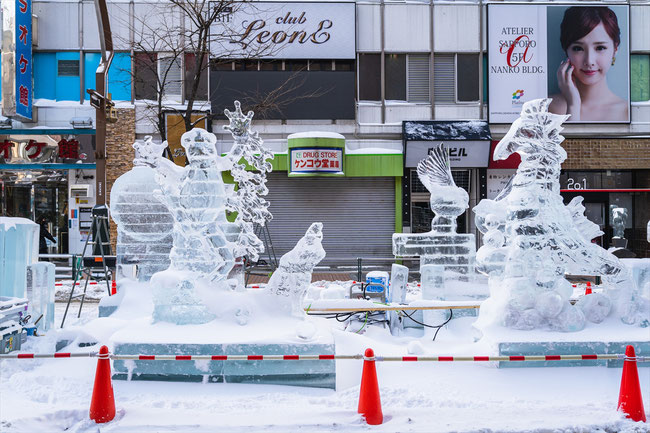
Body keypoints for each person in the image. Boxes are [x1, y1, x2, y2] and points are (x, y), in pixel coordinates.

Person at [548, 7, 628, 122]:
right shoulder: (544, 107)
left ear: (615, 49)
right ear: (566, 50)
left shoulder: (627, 112)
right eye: (578, 48)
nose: (589, 61)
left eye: (600, 48)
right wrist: (573, 105)